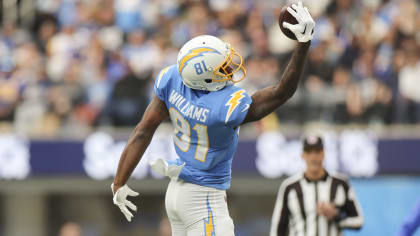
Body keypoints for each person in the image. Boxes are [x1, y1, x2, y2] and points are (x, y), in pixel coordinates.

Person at [111, 2, 315, 235]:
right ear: (206, 80)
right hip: (204, 199)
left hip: (176, 194)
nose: (229, 68)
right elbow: (282, 92)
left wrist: (119, 181)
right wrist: (303, 43)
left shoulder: (173, 78)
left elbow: (143, 131)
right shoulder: (223, 106)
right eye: (222, 68)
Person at [270, 134, 363, 236]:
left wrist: (336, 215)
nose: (313, 157)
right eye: (309, 152)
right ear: (303, 155)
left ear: (323, 154)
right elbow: (278, 227)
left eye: (317, 152)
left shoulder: (340, 183)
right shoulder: (290, 186)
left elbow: (358, 221)